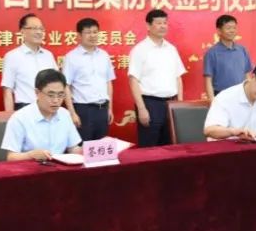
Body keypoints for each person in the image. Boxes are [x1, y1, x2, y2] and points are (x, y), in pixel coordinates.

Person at [128, 9, 186, 147]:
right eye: (158, 23)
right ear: (148, 26)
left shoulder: (171, 49)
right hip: (150, 104)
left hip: (171, 103)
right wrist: (141, 108)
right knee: (149, 147)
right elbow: (133, 80)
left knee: (170, 146)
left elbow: (178, 77)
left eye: (165, 23)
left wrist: (180, 104)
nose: (163, 26)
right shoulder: (140, 49)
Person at [1, 69, 82, 161]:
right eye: (51, 95)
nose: (56, 100)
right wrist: (30, 155)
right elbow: (11, 157)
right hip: (30, 168)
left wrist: (88, 150)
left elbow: (73, 148)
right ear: (37, 92)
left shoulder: (65, 115)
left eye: (60, 95)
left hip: (58, 168)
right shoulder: (19, 118)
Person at [62, 17, 116, 141]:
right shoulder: (71, 57)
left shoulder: (104, 56)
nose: (92, 35)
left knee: (100, 147)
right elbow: (66, 86)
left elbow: (108, 83)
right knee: (84, 147)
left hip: (102, 108)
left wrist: (110, 109)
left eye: (95, 32)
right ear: (79, 35)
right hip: (83, 110)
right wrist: (72, 113)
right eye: (88, 32)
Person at [1, 13, 58, 111]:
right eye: (34, 28)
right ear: (22, 31)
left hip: (49, 108)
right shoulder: (12, 56)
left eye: (41, 29)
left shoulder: (48, 55)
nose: (39, 32)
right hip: (25, 108)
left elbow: (57, 83)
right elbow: (7, 91)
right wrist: (9, 116)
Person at [203, 14, 253, 101]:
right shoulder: (212, 53)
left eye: (234, 28)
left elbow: (247, 75)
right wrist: (212, 101)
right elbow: (208, 80)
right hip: (221, 96)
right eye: (228, 28)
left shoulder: (242, 50)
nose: (232, 31)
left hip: (241, 95)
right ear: (219, 31)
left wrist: (250, 95)